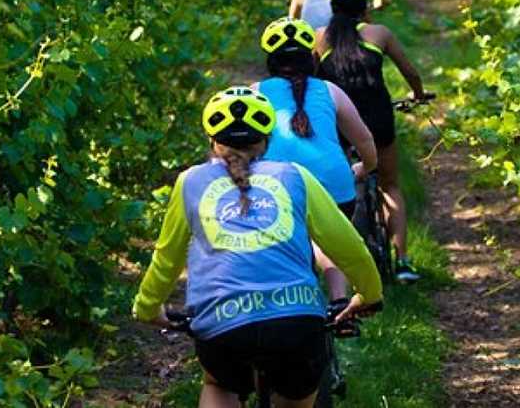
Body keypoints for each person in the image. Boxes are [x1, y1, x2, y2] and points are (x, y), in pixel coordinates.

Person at [133, 86, 383, 408]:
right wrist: (369, 293)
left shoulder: (190, 182)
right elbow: (349, 247)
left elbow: (167, 258)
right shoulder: (295, 176)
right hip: (297, 322)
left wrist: (148, 307)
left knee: (219, 384)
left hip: (222, 324)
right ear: (266, 140)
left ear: (212, 140)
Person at [254, 16, 377, 303]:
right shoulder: (331, 91)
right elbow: (364, 140)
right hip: (335, 183)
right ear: (313, 57)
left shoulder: (255, 93)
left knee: (284, 245)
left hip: (278, 185)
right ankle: (339, 301)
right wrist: (366, 167)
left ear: (270, 60)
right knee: (329, 242)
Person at [315, 0, 427, 283]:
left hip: (338, 124)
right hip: (378, 120)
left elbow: (312, 83)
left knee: (338, 190)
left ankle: (341, 263)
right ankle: (402, 260)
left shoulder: (319, 37)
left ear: (333, 5)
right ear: (366, 5)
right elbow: (410, 71)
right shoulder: (380, 34)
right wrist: (417, 95)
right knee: (390, 186)